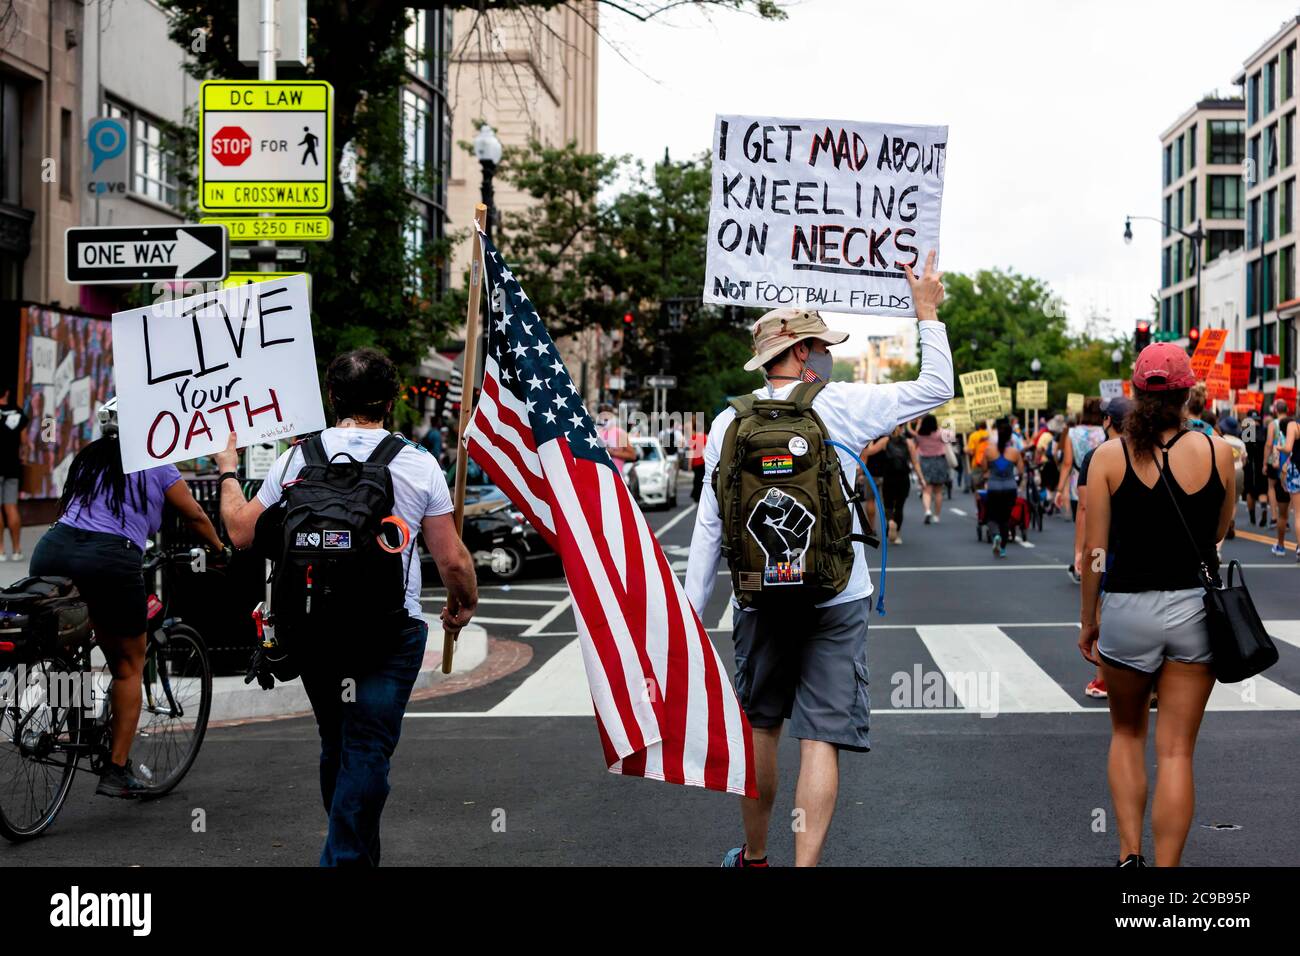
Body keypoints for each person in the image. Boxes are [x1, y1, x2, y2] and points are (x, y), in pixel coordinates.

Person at [687, 252, 952, 868]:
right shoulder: (843, 406)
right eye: (823, 346)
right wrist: (927, 312)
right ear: (802, 352)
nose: (829, 357)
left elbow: (709, 525)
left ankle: (755, 858)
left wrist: (692, 614)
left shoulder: (729, 421)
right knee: (820, 738)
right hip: (836, 593)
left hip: (758, 594)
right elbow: (937, 388)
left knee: (762, 726)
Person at [216, 348, 478, 866]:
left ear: (332, 396)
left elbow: (242, 531)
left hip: (313, 628)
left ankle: (354, 856)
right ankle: (343, 861)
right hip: (388, 631)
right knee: (367, 747)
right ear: (392, 398)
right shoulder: (416, 461)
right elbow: (452, 561)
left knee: (337, 743)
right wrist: (462, 603)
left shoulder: (298, 457)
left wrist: (228, 472)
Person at [1079, 343, 1235, 867]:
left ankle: (1129, 857)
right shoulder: (1218, 454)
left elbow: (1094, 553)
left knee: (1126, 734)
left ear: (1137, 393)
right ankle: (1167, 875)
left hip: (1127, 608)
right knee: (1176, 752)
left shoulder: (1108, 456)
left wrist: (1088, 621)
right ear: (1188, 392)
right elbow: (1218, 532)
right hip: (1194, 610)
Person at [28, 399, 225, 797]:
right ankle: (116, 770)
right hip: (110, 559)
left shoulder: (87, 459)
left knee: (74, 642)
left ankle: (67, 724)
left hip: (52, 549)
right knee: (128, 664)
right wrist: (220, 550)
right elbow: (195, 516)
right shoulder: (156, 463)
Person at [1074, 396, 1132, 699]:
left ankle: (1102, 677)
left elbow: (1085, 509)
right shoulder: (1156, 452)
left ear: (1108, 420)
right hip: (1150, 554)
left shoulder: (1097, 457)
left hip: (1107, 552)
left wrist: (1082, 553)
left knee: (1101, 609)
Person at [1057, 398, 1106, 583]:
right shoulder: (1105, 432)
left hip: (1080, 483)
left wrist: (1060, 489)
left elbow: (1067, 463)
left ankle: (1081, 562)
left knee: (1083, 526)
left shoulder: (1073, 433)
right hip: (1103, 484)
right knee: (1101, 529)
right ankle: (1098, 566)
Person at [981, 418, 1023, 558]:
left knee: (992, 516)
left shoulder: (988, 450)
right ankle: (1003, 548)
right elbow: (1021, 471)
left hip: (994, 487)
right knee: (1005, 519)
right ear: (1010, 436)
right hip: (1010, 488)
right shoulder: (1015, 452)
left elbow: (984, 469)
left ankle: (996, 535)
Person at [1263, 399, 1298, 558]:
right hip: (1291, 468)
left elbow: (1270, 444)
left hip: (1286, 470)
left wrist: (1265, 462)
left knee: (1290, 513)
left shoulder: (1278, 426)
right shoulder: (1293, 425)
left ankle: (1275, 519)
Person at [0, 385, 29, 562]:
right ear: (7, 393)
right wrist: (23, 457)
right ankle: (17, 550)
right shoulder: (17, 413)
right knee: (11, 507)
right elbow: (24, 442)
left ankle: (1, 550)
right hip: (12, 466)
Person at [914, 413, 951, 523]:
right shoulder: (940, 433)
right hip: (939, 461)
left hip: (925, 462)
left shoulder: (919, 435)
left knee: (926, 490)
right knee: (938, 491)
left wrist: (919, 424)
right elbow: (951, 437)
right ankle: (937, 516)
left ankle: (927, 510)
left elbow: (915, 439)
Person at [1243, 408, 1268, 526]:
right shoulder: (1265, 431)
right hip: (1263, 465)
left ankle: (1252, 517)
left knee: (1250, 492)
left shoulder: (1247, 432)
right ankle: (1263, 509)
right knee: (1263, 490)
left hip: (1250, 465)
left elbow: (1244, 451)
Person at [966, 420, 990, 492]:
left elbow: (971, 452)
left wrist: (966, 449)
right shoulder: (990, 434)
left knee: (978, 487)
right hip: (990, 462)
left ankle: (980, 500)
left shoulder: (973, 436)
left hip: (977, 463)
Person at [687, 422, 708, 502]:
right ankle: (701, 495)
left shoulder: (693, 438)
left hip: (696, 462)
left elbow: (691, 451)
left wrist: (689, 464)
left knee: (696, 478)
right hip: (703, 462)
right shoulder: (705, 437)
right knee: (702, 479)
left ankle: (696, 495)